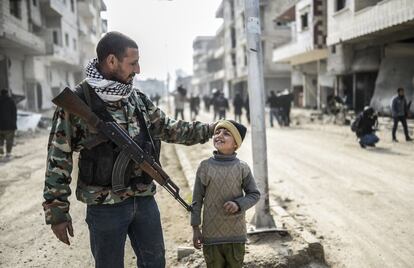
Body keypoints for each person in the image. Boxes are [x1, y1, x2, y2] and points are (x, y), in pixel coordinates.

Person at [42, 31, 216, 268]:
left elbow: (168, 127)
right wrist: (57, 212)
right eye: (133, 63)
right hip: (105, 207)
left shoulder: (136, 98)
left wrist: (210, 130)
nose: (138, 69)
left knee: (155, 263)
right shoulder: (78, 102)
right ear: (112, 61)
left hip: (144, 199)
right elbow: (58, 157)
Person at [191, 120, 260, 268]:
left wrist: (238, 204)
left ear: (236, 143)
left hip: (236, 236)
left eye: (226, 133)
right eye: (217, 132)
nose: (219, 135)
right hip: (211, 236)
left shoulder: (242, 168)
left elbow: (254, 194)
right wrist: (196, 228)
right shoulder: (205, 167)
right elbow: (196, 199)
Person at [0, 89, 17, 158]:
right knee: (9, 140)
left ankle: (1, 148)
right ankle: (8, 153)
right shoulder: (11, 101)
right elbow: (14, 114)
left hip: (0, 126)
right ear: (7, 93)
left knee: (0, 139)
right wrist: (14, 124)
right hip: (9, 126)